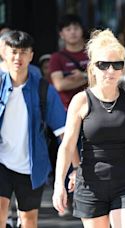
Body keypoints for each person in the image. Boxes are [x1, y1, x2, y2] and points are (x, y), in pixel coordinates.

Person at [52, 29, 125, 228]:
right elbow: (67, 145)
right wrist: (58, 185)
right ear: (92, 68)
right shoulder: (81, 100)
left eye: (117, 65)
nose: (111, 71)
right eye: (103, 65)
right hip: (91, 183)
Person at [0, 30, 69, 228]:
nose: (17, 57)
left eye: (23, 52)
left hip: (31, 165)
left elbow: (64, 132)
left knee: (28, 221)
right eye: (13, 52)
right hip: (1, 161)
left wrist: (75, 169)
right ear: (4, 53)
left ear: (31, 55)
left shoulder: (43, 88)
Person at [48, 14, 89, 109]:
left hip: (92, 107)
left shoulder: (92, 54)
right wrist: (89, 78)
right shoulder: (56, 58)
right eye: (68, 29)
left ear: (82, 30)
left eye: (76, 28)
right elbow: (60, 85)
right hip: (67, 109)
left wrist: (82, 76)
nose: (73, 32)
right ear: (61, 34)